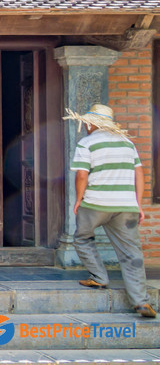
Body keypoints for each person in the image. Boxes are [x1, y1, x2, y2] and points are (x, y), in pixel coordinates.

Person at [66, 104, 156, 318]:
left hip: (96, 203)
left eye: (87, 122)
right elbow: (139, 174)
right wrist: (138, 204)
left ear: (92, 123)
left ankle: (99, 277)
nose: (85, 126)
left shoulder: (87, 143)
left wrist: (79, 199)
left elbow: (81, 175)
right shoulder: (127, 143)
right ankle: (141, 302)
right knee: (131, 253)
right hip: (126, 206)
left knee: (82, 238)